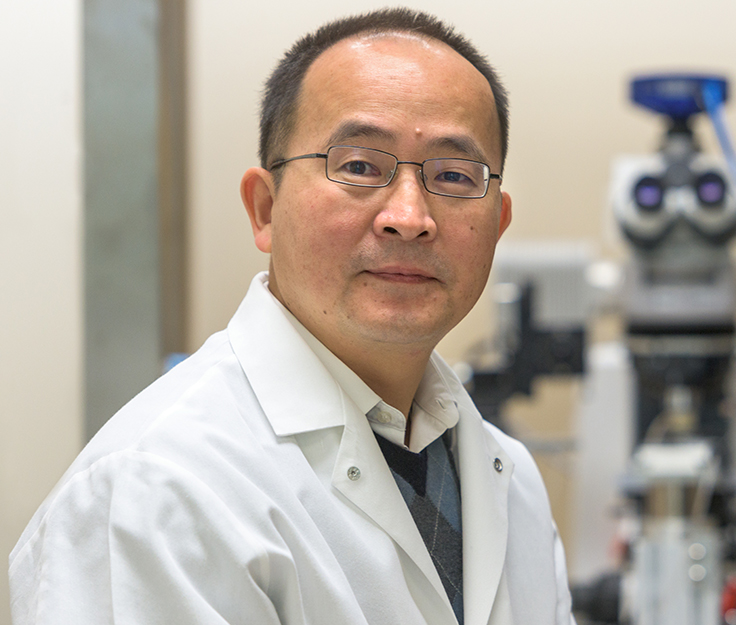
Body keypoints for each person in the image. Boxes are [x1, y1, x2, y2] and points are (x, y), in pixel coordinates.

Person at [9, 8, 573, 625]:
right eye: (358, 166)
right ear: (265, 209)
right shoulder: (156, 491)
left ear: (499, 224)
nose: (410, 215)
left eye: (454, 175)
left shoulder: (510, 480)